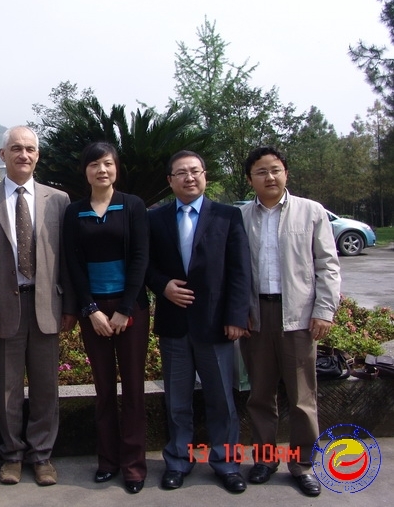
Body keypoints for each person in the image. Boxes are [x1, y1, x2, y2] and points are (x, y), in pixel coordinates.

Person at [0, 126, 72, 486]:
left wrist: (70, 306)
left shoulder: (58, 200)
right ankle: (12, 455)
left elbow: (68, 258)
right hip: (3, 309)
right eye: (16, 148)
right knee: (6, 389)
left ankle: (42, 456)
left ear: (37, 155)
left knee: (46, 388)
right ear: (2, 155)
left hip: (45, 306)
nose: (23, 155)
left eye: (30, 149)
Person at [145, 150, 251, 494]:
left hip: (216, 325)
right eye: (181, 173)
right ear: (170, 180)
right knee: (177, 400)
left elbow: (240, 270)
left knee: (222, 399)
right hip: (174, 325)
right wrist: (163, 286)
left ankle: (226, 462)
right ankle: (178, 460)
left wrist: (236, 317)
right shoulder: (155, 218)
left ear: (205, 175)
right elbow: (144, 265)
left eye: (195, 171)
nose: (189, 177)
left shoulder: (228, 216)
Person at [239, 146, 341, 497]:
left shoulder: (311, 211)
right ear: (250, 179)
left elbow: (327, 264)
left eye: (275, 169)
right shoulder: (241, 216)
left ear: (286, 173)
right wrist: (238, 313)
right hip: (256, 315)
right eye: (261, 171)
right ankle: (265, 460)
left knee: (302, 397)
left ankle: (302, 465)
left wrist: (324, 310)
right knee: (260, 395)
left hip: (297, 315)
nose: (269, 177)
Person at [62, 142, 149, 494]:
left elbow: (140, 257)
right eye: (94, 164)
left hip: (130, 308)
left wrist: (125, 309)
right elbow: (72, 263)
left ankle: (134, 465)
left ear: (116, 168)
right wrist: (91, 309)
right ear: (85, 171)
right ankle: (108, 460)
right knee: (103, 389)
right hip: (93, 311)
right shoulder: (74, 212)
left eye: (108, 163)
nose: (102, 170)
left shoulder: (132, 205)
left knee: (133, 389)